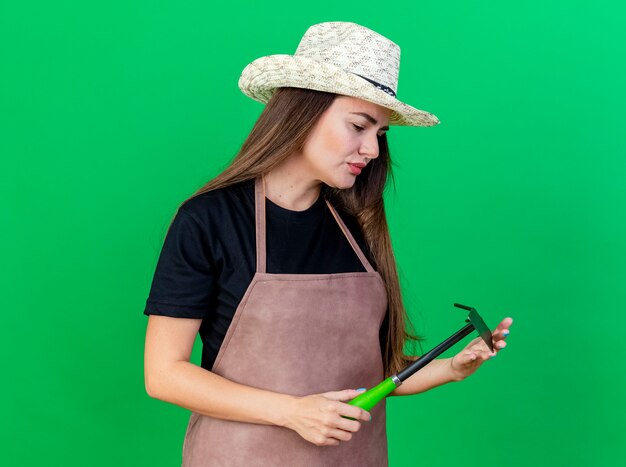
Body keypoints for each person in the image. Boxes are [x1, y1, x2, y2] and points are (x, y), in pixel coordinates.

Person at [143, 21, 513, 466]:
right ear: (302, 113)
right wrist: (293, 412)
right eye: (359, 125)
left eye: (379, 133)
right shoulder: (210, 220)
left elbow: (369, 374)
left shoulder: (356, 227)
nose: (372, 150)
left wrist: (450, 369)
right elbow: (164, 374)